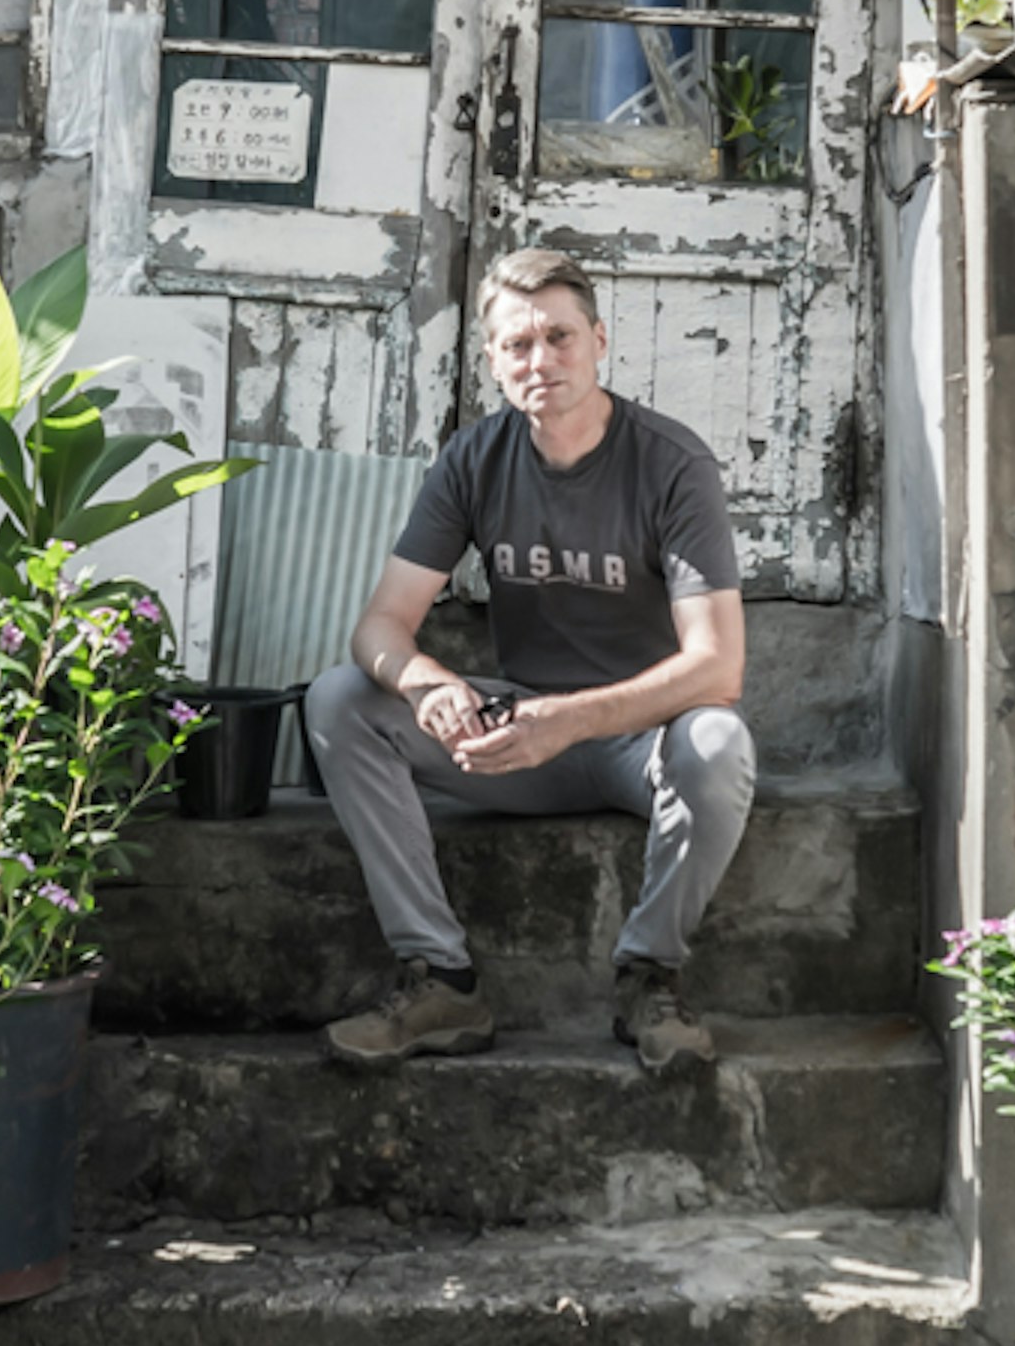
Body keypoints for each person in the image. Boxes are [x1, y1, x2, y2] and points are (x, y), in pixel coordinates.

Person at [305, 246, 755, 1077]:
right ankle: (441, 979)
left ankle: (649, 978)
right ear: (492, 362)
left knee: (720, 742)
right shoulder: (474, 458)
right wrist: (426, 680)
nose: (540, 359)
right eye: (518, 344)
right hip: (515, 736)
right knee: (340, 701)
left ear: (599, 340)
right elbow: (380, 625)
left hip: (639, 740)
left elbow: (717, 666)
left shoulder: (671, 462)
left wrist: (571, 719)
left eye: (559, 336)